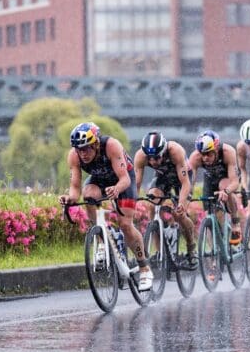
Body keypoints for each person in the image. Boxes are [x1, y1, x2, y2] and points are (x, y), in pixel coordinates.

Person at [58, 122, 153, 290]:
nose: (83, 153)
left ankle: (144, 268)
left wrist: (116, 189)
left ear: (95, 143)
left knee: (125, 225)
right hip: (100, 181)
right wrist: (70, 198)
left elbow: (125, 179)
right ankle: (102, 239)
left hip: (122, 181)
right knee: (88, 195)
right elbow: (75, 187)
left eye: (86, 148)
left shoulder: (111, 146)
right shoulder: (74, 156)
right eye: (79, 149)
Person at [134, 131, 198, 268]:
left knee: (180, 214)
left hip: (183, 178)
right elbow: (137, 184)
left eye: (156, 158)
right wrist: (131, 202)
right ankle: (158, 249)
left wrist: (181, 203)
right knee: (151, 204)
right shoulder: (140, 156)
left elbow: (186, 183)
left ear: (163, 152)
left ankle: (191, 249)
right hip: (163, 177)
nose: (152, 162)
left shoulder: (175, 151)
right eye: (149, 158)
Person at [188, 130, 242, 245]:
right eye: (203, 154)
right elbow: (190, 183)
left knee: (224, 186)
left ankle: (235, 223)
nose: (205, 158)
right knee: (209, 215)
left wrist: (226, 191)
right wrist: (187, 197)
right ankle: (214, 255)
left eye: (209, 154)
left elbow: (235, 182)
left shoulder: (228, 152)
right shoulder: (195, 157)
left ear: (216, 149)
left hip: (227, 178)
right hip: (210, 179)